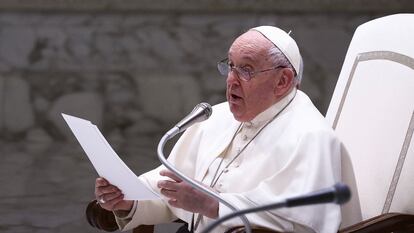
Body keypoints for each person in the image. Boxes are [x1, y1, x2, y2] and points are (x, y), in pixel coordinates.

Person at [94, 26, 342, 233]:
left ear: (283, 81)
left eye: (246, 70)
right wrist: (128, 199)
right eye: (230, 66)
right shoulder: (216, 116)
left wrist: (215, 206)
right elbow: (170, 186)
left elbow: (305, 222)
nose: (231, 79)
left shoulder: (311, 136)